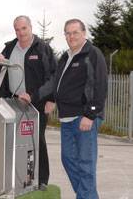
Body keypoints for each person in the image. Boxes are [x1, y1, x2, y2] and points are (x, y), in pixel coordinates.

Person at [0, 15, 57, 190]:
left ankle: (41, 180)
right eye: (17, 29)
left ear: (30, 27)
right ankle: (13, 177)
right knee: (11, 140)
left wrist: (51, 99)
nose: (21, 33)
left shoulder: (42, 48)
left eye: (23, 28)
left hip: (37, 103)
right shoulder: (9, 47)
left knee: (37, 141)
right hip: (12, 103)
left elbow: (53, 77)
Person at [53, 19, 107, 199]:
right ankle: (88, 195)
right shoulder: (65, 56)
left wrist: (90, 114)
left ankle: (86, 196)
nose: (71, 36)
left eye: (75, 32)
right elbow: (59, 84)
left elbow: (100, 85)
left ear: (84, 33)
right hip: (66, 118)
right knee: (68, 159)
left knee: (85, 163)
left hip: (84, 117)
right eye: (67, 33)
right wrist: (51, 99)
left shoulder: (92, 53)